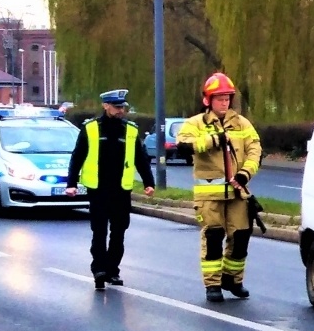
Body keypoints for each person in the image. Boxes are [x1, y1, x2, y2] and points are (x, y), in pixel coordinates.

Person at [175, 73, 262, 303]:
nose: (224, 103)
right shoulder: (195, 124)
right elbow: (183, 146)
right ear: (208, 100)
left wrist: (245, 174)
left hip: (237, 192)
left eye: (227, 99)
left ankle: (232, 279)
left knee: (241, 236)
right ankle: (212, 285)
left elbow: (255, 150)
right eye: (219, 99)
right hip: (209, 195)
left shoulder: (242, 124)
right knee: (213, 238)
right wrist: (213, 140)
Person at [64, 89, 155, 290]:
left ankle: (113, 270)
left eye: (122, 107)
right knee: (99, 231)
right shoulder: (91, 128)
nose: (120, 110)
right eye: (116, 107)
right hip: (98, 189)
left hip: (121, 190)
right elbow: (77, 156)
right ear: (105, 106)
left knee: (119, 232)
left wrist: (149, 182)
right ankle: (99, 270)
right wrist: (71, 184)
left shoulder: (130, 130)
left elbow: (141, 159)